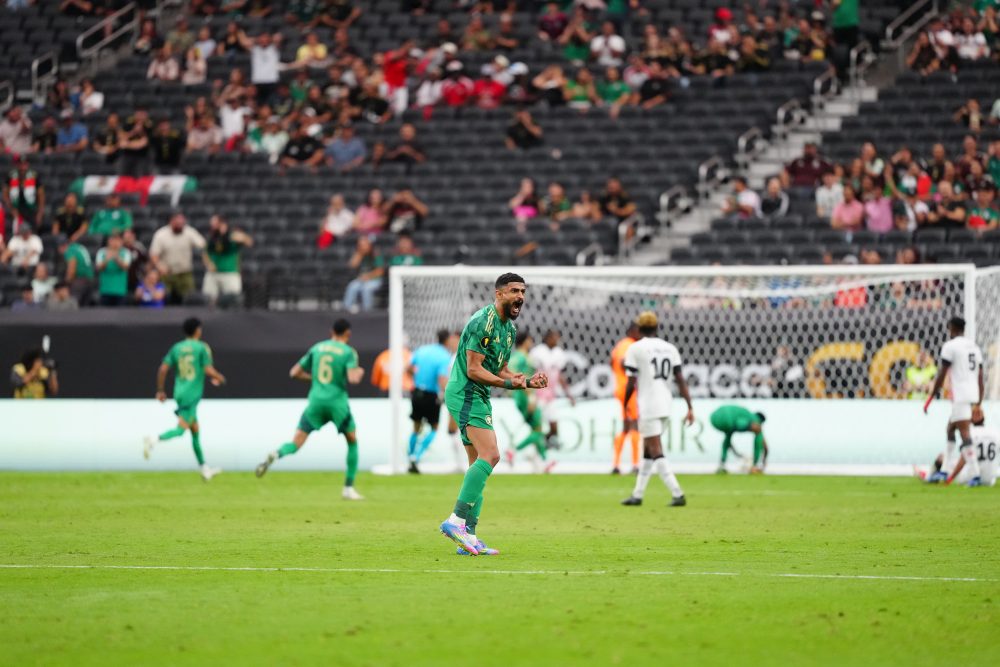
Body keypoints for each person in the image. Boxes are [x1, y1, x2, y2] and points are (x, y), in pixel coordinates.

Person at [439, 273, 547, 556]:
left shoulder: (509, 329)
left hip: (479, 394)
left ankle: (469, 536)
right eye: (514, 291)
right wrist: (508, 384)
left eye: (523, 291)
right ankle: (455, 521)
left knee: (478, 463)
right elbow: (473, 369)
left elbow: (500, 369)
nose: (520, 296)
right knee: (491, 455)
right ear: (499, 294)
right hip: (466, 392)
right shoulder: (482, 322)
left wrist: (526, 381)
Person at [254, 319, 366, 501]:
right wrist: (359, 372)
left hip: (315, 402)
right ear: (348, 333)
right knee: (352, 441)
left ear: (331, 332)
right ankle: (348, 488)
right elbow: (353, 379)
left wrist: (316, 380)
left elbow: (294, 373)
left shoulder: (317, 348)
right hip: (337, 403)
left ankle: (276, 453)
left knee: (296, 443)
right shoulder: (348, 352)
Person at [620, 311, 693, 507]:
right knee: (647, 451)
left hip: (649, 404)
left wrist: (625, 404)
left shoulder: (635, 348)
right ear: (657, 327)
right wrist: (689, 406)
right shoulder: (670, 348)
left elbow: (631, 381)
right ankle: (637, 494)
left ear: (639, 328)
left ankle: (678, 493)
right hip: (666, 404)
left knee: (655, 450)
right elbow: (680, 380)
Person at [144, 317, 227, 482]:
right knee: (181, 430)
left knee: (195, 430)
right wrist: (220, 378)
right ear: (197, 330)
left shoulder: (177, 348)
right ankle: (154, 439)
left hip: (180, 392)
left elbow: (163, 369)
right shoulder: (201, 347)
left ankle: (204, 468)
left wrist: (160, 390)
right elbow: (208, 369)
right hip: (192, 394)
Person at [923, 316, 985, 486]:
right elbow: (980, 375)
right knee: (950, 429)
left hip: (960, 394)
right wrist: (979, 400)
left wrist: (931, 396)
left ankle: (975, 474)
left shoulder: (950, 347)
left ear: (952, 328)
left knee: (964, 432)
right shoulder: (974, 347)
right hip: (973, 393)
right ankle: (945, 469)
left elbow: (942, 373)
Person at [407, 329, 457, 473]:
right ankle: (416, 457)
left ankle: (410, 456)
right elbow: (441, 379)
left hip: (416, 392)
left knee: (416, 427)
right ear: (447, 340)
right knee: (434, 427)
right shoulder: (444, 356)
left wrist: (417, 379)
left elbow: (408, 368)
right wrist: (449, 395)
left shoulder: (422, 350)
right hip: (431, 395)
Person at [504, 331, 555, 474]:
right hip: (525, 395)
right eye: (530, 340)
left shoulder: (518, 356)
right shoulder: (521, 357)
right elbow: (516, 376)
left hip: (520, 395)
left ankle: (543, 462)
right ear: (525, 341)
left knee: (536, 429)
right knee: (538, 430)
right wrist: (530, 397)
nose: (531, 343)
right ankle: (512, 450)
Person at [918, 406, 999, 487]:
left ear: (970, 418)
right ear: (984, 418)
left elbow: (963, 459)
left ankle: (928, 476)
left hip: (970, 476)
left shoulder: (969, 433)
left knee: (942, 459)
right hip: (990, 480)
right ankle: (929, 474)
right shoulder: (996, 433)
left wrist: (950, 478)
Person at [530, 328, 575, 449]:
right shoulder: (537, 352)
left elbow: (560, 376)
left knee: (554, 428)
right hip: (538, 394)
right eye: (555, 337)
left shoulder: (559, 353)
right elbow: (530, 371)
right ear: (548, 338)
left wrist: (569, 395)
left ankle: (540, 446)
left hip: (550, 395)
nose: (557, 340)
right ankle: (533, 450)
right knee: (537, 425)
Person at [150, 213, 207, 304]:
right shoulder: (161, 234)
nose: (180, 226)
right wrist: (159, 266)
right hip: (167, 273)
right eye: (178, 224)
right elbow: (154, 255)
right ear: (171, 222)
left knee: (190, 298)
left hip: (184, 272)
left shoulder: (189, 232)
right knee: (164, 298)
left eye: (182, 224)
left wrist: (205, 256)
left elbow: (203, 245)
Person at [610, 320, 641, 475]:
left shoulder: (620, 345)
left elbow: (612, 362)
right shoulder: (629, 345)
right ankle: (635, 464)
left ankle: (616, 464)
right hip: (628, 389)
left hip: (621, 388)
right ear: (632, 331)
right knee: (634, 424)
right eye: (638, 331)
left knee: (626, 427)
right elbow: (623, 363)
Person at [203, 215, 253, 306]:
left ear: (221, 224)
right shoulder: (212, 237)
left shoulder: (232, 235)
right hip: (213, 273)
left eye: (214, 224)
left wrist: (243, 238)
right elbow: (205, 253)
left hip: (230, 272)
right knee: (208, 299)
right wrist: (209, 264)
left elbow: (249, 242)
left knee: (233, 299)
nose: (212, 226)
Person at [710, 405, 768, 474]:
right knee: (757, 431)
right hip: (728, 418)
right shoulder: (753, 418)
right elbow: (742, 424)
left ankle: (722, 465)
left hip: (714, 417)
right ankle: (754, 466)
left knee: (727, 439)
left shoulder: (745, 414)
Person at [342, 236, 384, 312]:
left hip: (375, 279)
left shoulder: (376, 254)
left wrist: (368, 276)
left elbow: (380, 271)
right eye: (360, 245)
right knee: (352, 286)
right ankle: (346, 308)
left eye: (365, 245)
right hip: (361, 280)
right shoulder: (359, 254)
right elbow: (352, 265)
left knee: (366, 288)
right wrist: (359, 254)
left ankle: (367, 310)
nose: (363, 247)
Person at [95, 231, 132, 306]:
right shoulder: (102, 252)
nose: (115, 243)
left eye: (117, 240)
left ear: (121, 241)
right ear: (108, 241)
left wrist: (117, 258)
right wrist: (106, 259)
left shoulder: (126, 252)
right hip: (105, 290)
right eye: (112, 240)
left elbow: (126, 267)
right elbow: (98, 268)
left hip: (120, 290)